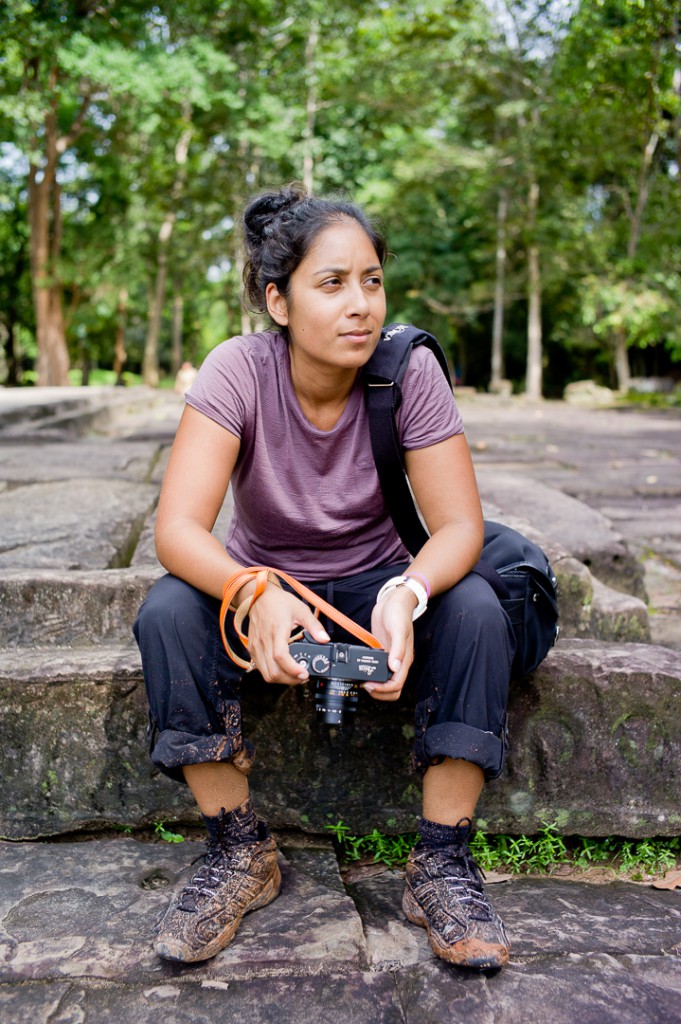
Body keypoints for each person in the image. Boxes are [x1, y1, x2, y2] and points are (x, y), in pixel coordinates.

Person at [133, 183, 515, 971]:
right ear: (278, 301)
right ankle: (240, 850)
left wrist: (408, 595)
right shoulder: (237, 370)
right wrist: (251, 590)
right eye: (331, 283)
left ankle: (441, 859)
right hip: (267, 592)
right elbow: (176, 530)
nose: (360, 304)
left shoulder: (407, 371)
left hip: (375, 588)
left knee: (474, 605)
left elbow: (458, 528)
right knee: (169, 611)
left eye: (371, 280)